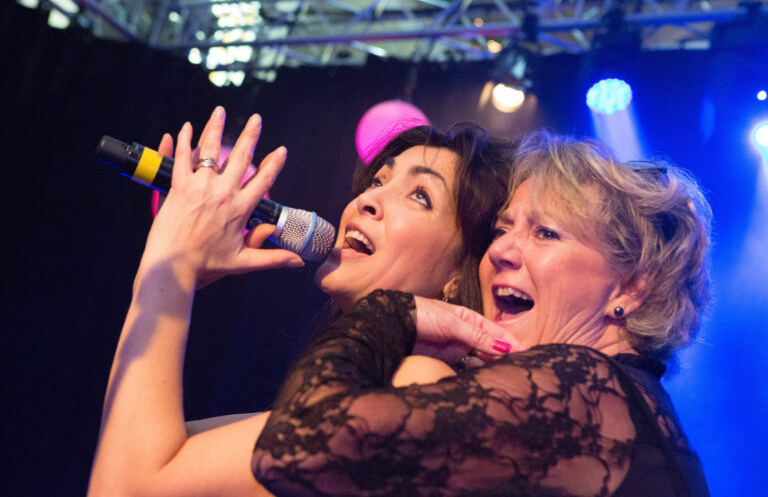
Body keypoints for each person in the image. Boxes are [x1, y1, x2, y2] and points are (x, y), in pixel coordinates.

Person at [87, 106, 521, 496]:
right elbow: (144, 458)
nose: (368, 200)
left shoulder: (419, 382)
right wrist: (175, 272)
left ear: (456, 277)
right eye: (377, 181)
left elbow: (127, 486)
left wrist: (169, 267)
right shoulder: (371, 382)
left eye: (419, 196)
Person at [251, 131, 712, 496]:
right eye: (501, 228)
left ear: (632, 287)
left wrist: (391, 313)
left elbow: (295, 444)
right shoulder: (620, 404)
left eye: (546, 233)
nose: (501, 251)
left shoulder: (581, 387)